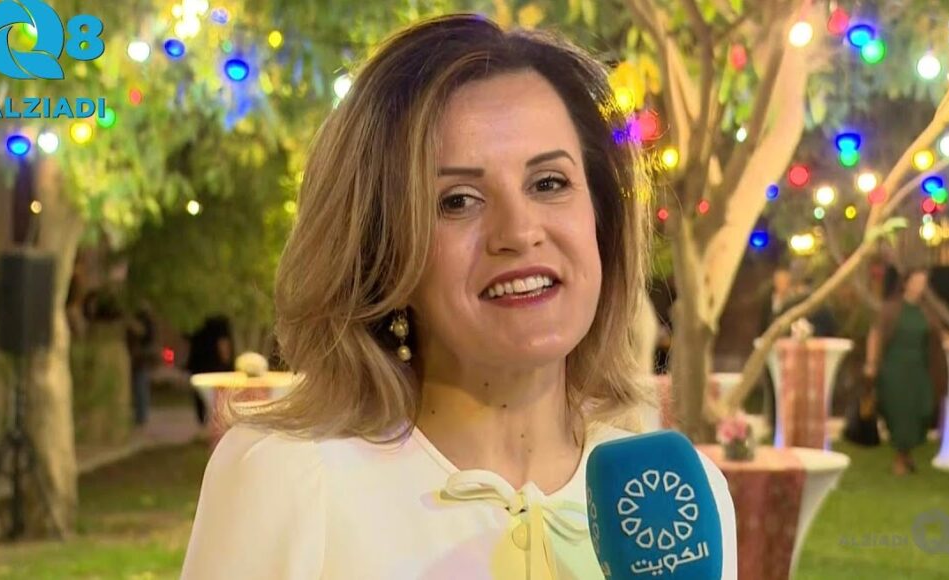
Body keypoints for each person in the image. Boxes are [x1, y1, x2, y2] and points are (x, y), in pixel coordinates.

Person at [181, 15, 736, 579]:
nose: (519, 231)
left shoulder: (682, 503)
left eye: (549, 183)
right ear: (381, 251)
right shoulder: (288, 479)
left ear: (601, 221)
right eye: (458, 200)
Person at [863, 268, 949, 476]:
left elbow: (937, 333)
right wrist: (871, 362)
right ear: (906, 283)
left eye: (923, 282)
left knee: (922, 410)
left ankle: (907, 453)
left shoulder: (925, 311)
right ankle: (900, 458)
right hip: (894, 368)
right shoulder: (891, 309)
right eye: (917, 281)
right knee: (900, 413)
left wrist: (948, 339)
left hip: (919, 368)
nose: (920, 286)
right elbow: (875, 334)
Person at [185, 316, 235, 426]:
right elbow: (223, 342)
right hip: (214, 365)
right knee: (218, 397)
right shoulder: (219, 319)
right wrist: (226, 361)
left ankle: (205, 422)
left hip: (199, 362)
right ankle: (216, 422)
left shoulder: (195, 317)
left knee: (202, 397)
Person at [126, 302, 157, 427]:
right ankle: (141, 414)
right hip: (141, 357)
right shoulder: (148, 321)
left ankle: (141, 415)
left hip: (141, 357)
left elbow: (143, 335)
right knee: (140, 385)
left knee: (140, 385)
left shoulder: (144, 321)